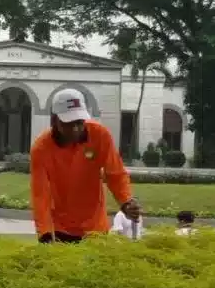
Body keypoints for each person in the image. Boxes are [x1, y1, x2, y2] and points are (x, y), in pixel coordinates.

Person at [30, 88, 141, 243]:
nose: (76, 129)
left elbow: (115, 173)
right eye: (69, 123)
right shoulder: (41, 148)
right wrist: (45, 233)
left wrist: (126, 202)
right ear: (55, 120)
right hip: (60, 228)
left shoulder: (100, 135)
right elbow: (40, 194)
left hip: (95, 226)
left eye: (79, 122)